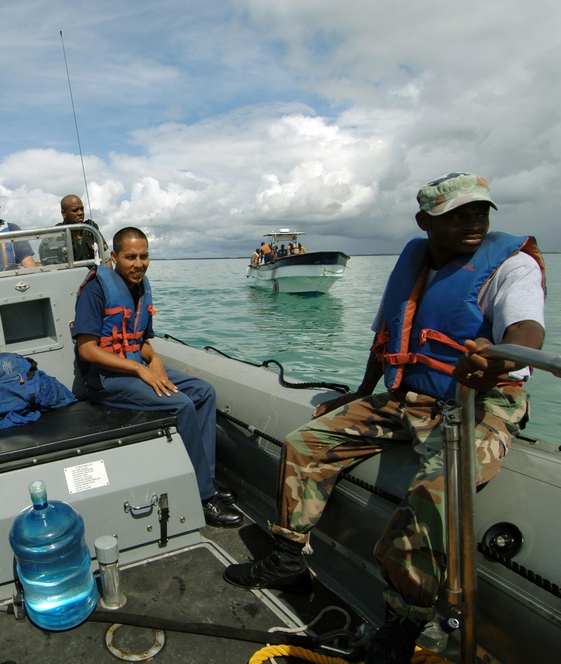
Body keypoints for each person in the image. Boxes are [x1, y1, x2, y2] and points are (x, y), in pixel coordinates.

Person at [222, 173, 546, 664]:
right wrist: (361, 394)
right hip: (413, 398)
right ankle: (289, 557)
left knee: (430, 499)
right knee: (305, 443)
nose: (473, 222)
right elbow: (385, 340)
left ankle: (401, 626)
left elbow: (526, 330)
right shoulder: (414, 264)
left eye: (480, 211)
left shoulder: (511, 266)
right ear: (425, 222)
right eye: (457, 215)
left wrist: (497, 359)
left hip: (482, 405)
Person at [72, 227, 243, 528]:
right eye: (130, 257)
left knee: (204, 392)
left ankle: (206, 478)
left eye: (144, 256)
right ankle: (203, 498)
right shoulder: (96, 289)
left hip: (136, 366)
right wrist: (140, 369)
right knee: (181, 404)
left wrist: (155, 360)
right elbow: (87, 349)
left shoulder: (141, 285)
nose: (138, 264)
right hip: (106, 380)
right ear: (114, 257)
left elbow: (141, 340)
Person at [39, 194, 108, 265]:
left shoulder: (91, 231)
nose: (80, 213)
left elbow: (106, 258)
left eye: (82, 209)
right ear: (64, 214)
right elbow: (49, 267)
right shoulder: (54, 237)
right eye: (75, 210)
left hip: (93, 274)